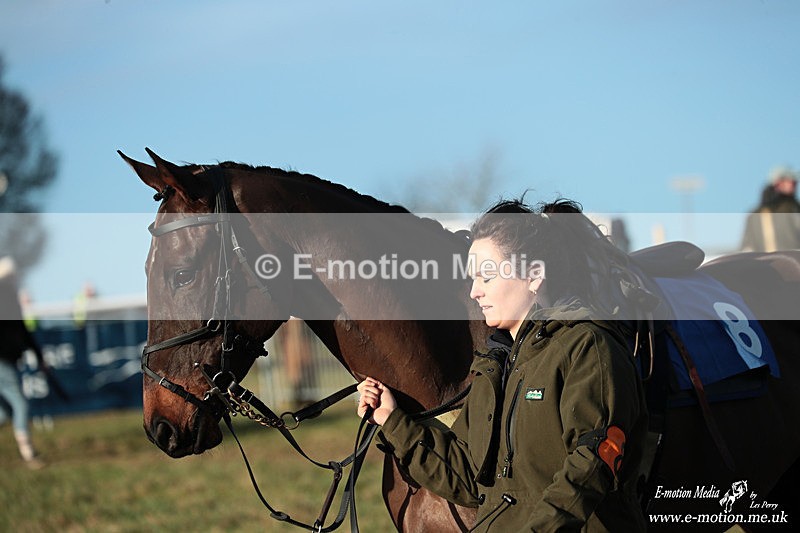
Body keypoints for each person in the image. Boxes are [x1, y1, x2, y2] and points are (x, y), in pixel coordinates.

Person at [357, 199, 648, 532]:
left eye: (487, 276)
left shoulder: (587, 347)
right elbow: (467, 477)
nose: (475, 291)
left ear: (534, 276)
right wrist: (392, 420)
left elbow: (592, 463)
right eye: (472, 279)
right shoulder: (494, 367)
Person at [0, 257, 46, 469]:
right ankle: (28, 453)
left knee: (5, 412)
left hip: (8, 359)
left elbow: (22, 332)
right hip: (3, 360)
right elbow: (22, 332)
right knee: (19, 403)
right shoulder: (7, 296)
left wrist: (39, 356)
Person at [741, 166, 800, 252]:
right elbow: (747, 247)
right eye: (790, 181)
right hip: (766, 264)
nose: (794, 185)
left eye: (795, 182)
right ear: (778, 183)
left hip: (794, 262)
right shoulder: (755, 215)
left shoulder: (795, 209)